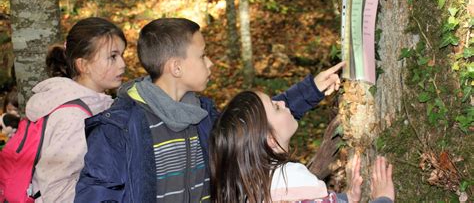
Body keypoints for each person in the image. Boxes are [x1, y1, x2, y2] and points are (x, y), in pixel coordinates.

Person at [75, 17, 345, 202]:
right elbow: (96, 194)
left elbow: (258, 122)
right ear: (176, 67)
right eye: (203, 55)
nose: (211, 63)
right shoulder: (119, 129)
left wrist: (312, 89)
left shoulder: (203, 117)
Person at [209, 90, 395, 203]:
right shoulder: (291, 177)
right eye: (275, 107)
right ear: (270, 139)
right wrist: (383, 198)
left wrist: (346, 199)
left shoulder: (252, 188)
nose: (282, 102)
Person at [25, 17, 127, 202]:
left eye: (122, 55)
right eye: (112, 57)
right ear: (83, 65)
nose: (122, 64)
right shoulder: (74, 117)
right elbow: (55, 192)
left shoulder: (97, 105)